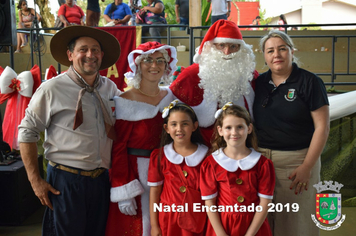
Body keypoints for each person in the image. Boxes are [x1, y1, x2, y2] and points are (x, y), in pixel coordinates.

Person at [18, 25, 121, 236]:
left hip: (101, 181)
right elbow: (27, 133)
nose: (90, 55)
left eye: (95, 50)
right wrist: (35, 181)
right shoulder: (51, 89)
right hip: (65, 182)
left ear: (102, 55)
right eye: (83, 49)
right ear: (70, 54)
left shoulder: (110, 88)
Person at [253, 30, 330, 236]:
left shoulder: (310, 82)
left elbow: (322, 127)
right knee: (263, 224)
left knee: (297, 224)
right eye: (270, 51)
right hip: (261, 163)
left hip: (296, 163)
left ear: (291, 51)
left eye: (281, 49)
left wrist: (307, 166)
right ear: (264, 56)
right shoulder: (258, 83)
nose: (276, 54)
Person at [105, 41, 178, 236]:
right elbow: (118, 148)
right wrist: (124, 191)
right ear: (137, 65)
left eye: (160, 61)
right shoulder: (125, 101)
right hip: (136, 176)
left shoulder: (171, 98)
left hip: (167, 173)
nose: (154, 66)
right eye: (148, 60)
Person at [170, 20, 258, 146]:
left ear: (240, 49)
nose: (227, 52)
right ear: (212, 46)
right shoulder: (191, 75)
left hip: (242, 148)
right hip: (202, 150)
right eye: (221, 45)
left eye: (233, 46)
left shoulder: (249, 75)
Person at [200, 103, 275, 236]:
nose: (234, 132)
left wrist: (250, 234)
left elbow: (265, 202)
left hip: (254, 227)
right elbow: (209, 202)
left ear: (249, 128)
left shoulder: (262, 164)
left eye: (240, 127)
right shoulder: (211, 163)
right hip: (222, 227)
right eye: (228, 127)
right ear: (220, 130)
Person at [148, 100, 209, 236]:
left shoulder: (207, 156)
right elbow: (155, 191)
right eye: (174, 124)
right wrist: (154, 225)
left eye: (185, 124)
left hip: (197, 219)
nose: (179, 129)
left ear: (194, 126)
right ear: (166, 128)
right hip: (168, 220)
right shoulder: (159, 156)